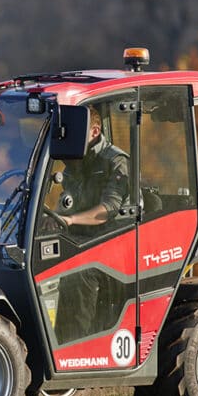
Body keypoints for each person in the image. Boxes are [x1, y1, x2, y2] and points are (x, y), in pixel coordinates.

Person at [53, 105, 130, 343]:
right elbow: (68, 203)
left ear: (94, 132)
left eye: (74, 132)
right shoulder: (74, 164)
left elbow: (108, 210)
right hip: (84, 242)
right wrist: (52, 218)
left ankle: (75, 351)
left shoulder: (116, 161)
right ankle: (54, 349)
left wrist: (71, 219)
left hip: (116, 245)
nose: (67, 138)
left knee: (78, 273)